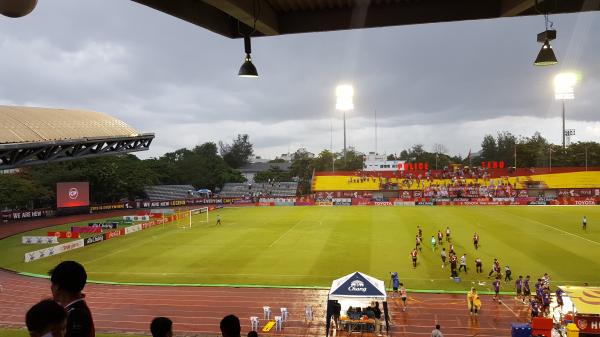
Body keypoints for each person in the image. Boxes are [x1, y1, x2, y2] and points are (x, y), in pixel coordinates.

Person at [49, 261, 95, 337]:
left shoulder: (76, 315)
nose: (51, 287)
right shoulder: (77, 309)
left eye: (52, 283)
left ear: (57, 286)